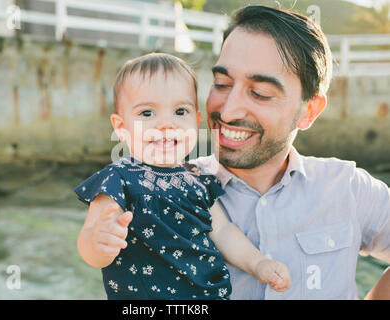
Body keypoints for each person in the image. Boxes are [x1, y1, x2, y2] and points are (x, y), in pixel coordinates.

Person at [87, 6, 390, 299]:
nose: (228, 111)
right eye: (221, 83)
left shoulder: (349, 188)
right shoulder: (167, 185)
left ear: (309, 111)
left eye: (260, 93)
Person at [74, 53, 291, 299]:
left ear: (195, 121)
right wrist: (99, 243)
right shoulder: (118, 178)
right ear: (121, 127)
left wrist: (258, 263)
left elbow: (222, 232)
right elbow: (89, 238)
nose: (166, 123)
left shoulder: (198, 178)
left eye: (180, 111)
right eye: (147, 113)